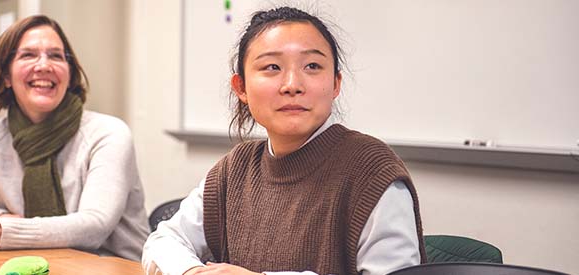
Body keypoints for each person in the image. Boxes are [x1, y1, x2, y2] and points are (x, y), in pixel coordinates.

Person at [142, 7, 425, 275]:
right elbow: (164, 240)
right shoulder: (234, 169)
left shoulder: (371, 169)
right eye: (272, 67)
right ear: (241, 87)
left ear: (336, 83)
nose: (292, 84)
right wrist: (191, 270)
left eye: (312, 66)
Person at [0, 15, 149, 261]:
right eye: (28, 55)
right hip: (31, 264)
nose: (43, 65)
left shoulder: (109, 134)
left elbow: (94, 226)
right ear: (6, 75)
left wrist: (2, 232)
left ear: (69, 72)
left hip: (114, 266)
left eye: (55, 56)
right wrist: (1, 219)